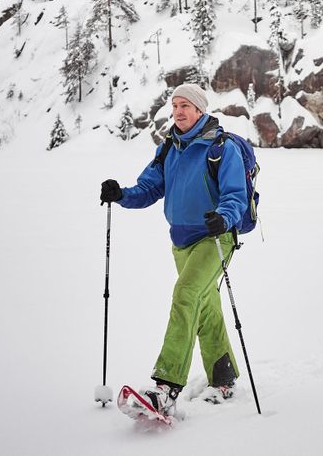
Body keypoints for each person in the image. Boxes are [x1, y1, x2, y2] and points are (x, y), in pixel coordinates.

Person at [99, 83, 247, 420]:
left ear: (199, 110)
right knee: (205, 307)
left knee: (186, 294)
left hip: (215, 239)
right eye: (175, 105)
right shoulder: (170, 148)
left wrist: (223, 218)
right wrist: (121, 194)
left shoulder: (221, 147)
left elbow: (235, 195)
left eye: (186, 105)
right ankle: (223, 379)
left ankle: (166, 388)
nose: (178, 111)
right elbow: (149, 187)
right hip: (181, 242)